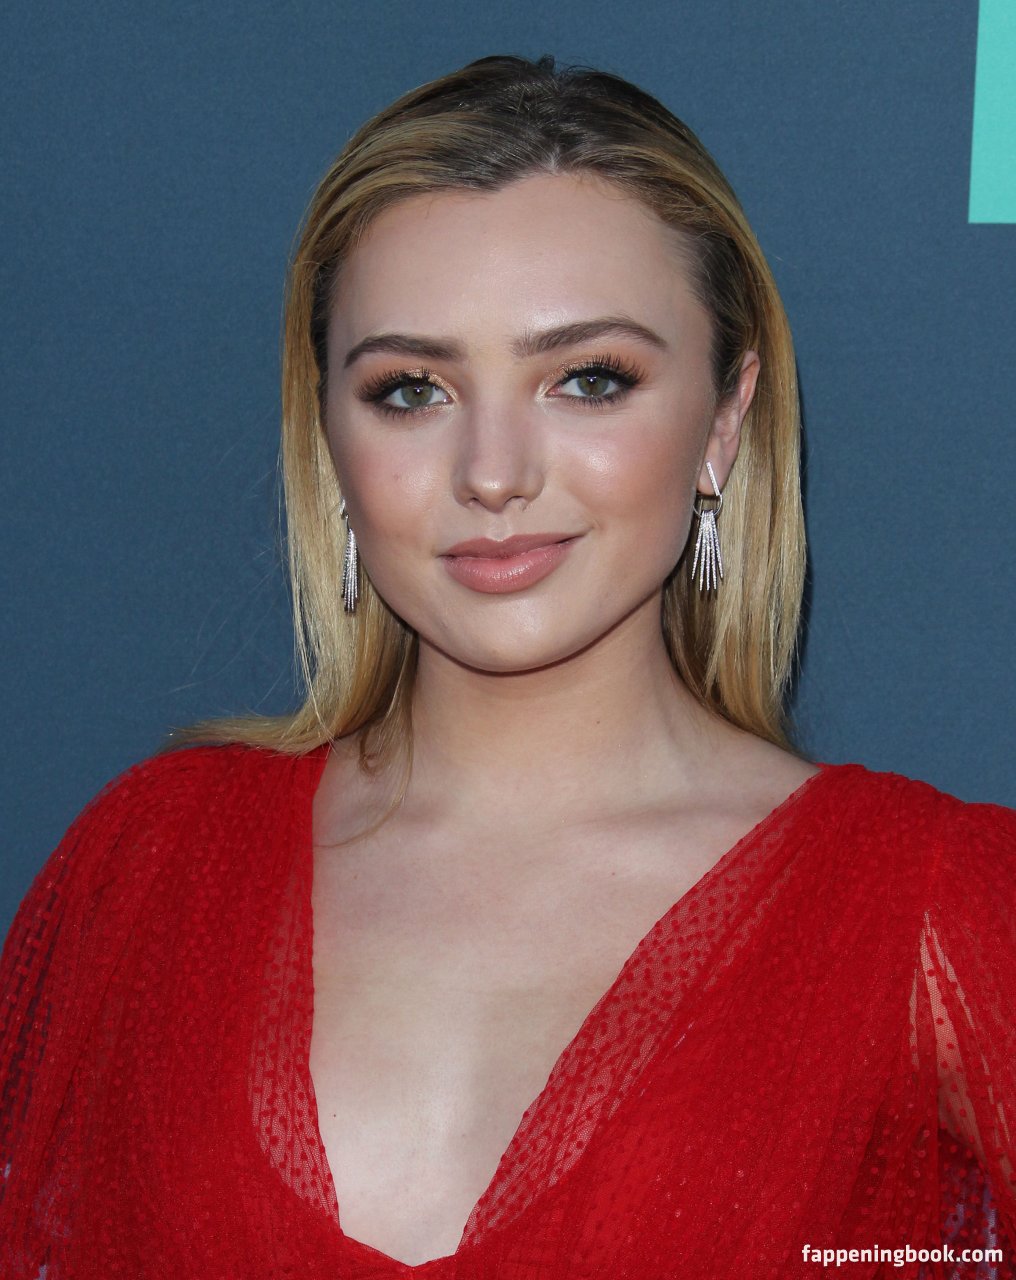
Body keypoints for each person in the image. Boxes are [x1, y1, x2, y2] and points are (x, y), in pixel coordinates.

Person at [1, 53, 1013, 1280]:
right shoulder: (150, 867)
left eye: (587, 379)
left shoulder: (929, 911)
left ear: (722, 420)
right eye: (410, 390)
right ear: (328, 434)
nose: (491, 472)